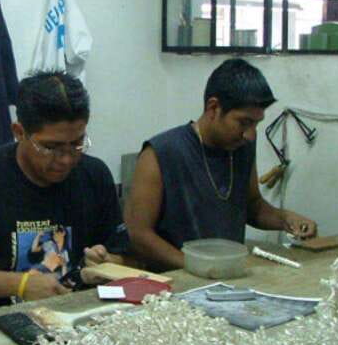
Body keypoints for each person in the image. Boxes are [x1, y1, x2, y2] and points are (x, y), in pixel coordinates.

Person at [0, 71, 129, 314]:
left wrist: (105, 263)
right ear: (19, 132)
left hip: (80, 321)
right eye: (50, 147)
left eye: (76, 144)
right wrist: (20, 284)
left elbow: (124, 256)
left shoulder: (94, 176)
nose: (65, 159)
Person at [125, 58, 317, 271]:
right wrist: (196, 266)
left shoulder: (241, 147)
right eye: (244, 122)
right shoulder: (160, 153)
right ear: (213, 108)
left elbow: (252, 207)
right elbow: (139, 234)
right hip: (174, 284)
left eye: (256, 124)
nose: (250, 135)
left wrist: (286, 219)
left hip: (225, 280)